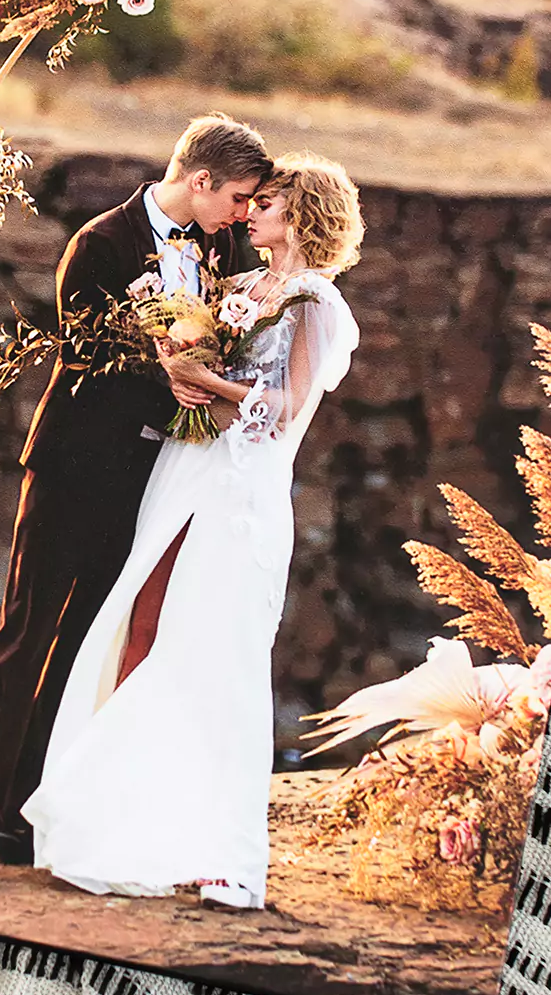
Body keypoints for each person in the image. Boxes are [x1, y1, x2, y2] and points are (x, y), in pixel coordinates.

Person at [0, 114, 273, 888]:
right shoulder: (100, 243)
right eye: (240, 197)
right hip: (74, 468)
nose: (246, 213)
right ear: (201, 182)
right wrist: (176, 376)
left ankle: (25, 815)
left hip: (154, 478)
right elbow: (86, 350)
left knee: (85, 643)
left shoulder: (221, 250)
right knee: (24, 637)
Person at [21, 153, 364, 909]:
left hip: (240, 489)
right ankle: (128, 825)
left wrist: (204, 381)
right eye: (251, 200)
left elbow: (288, 410)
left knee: (219, 652)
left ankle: (220, 854)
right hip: (182, 469)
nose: (250, 213)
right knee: (140, 631)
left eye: (266, 202)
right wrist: (176, 359)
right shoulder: (235, 285)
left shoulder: (315, 302)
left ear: (299, 214)